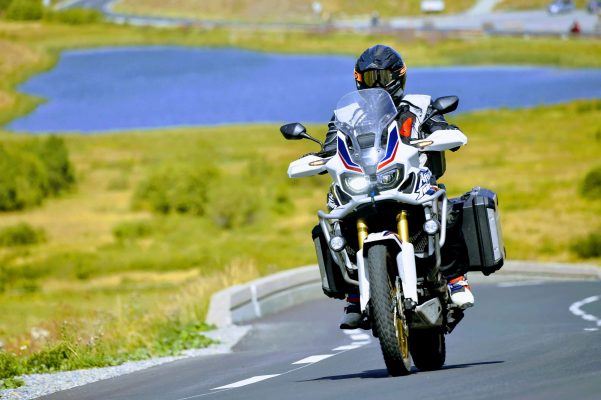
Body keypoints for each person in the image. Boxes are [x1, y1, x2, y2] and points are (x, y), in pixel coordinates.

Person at [318, 44, 474, 330]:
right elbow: (332, 144)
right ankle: (354, 296)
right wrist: (317, 157)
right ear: (358, 78)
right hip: (365, 186)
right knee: (333, 224)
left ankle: (455, 280)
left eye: (381, 76)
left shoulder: (418, 105)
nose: (375, 83)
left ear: (397, 76)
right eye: (369, 77)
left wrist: (443, 134)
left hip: (410, 181)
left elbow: (440, 125)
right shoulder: (347, 115)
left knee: (445, 209)